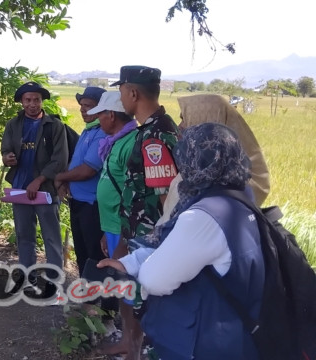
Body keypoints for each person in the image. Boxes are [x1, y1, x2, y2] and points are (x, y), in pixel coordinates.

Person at [99, 123, 264, 360]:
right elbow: (186, 250)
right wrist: (131, 262)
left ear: (193, 160)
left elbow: (155, 280)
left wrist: (140, 269)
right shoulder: (240, 197)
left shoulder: (204, 215)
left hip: (204, 343)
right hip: (234, 333)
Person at [114, 65, 180, 360]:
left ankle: (141, 353)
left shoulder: (155, 136)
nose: (120, 99)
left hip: (150, 238)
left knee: (147, 304)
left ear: (133, 93)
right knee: (135, 297)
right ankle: (133, 349)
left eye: (121, 92)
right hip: (139, 235)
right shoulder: (153, 129)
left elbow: (167, 199)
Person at [156, 93, 271, 224]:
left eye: (184, 119)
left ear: (205, 119)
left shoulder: (221, 187)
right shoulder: (200, 170)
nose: (180, 126)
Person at [86, 91, 139, 353]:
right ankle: (127, 339)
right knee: (122, 286)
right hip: (113, 228)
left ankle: (132, 345)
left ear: (111, 115)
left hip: (124, 232)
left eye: (100, 116)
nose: (98, 121)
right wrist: (106, 232)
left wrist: (124, 240)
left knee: (129, 288)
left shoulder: (130, 143)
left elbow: (134, 196)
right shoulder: (116, 141)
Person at [1, 81, 69, 271]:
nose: (32, 104)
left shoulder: (54, 126)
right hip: (20, 188)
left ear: (42, 101)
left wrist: (39, 180)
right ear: (21, 102)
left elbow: (60, 160)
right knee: (24, 235)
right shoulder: (13, 125)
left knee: (51, 236)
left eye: (36, 100)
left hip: (46, 190)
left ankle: (54, 278)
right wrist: (7, 158)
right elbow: (5, 149)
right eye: (28, 100)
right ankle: (27, 275)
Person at [53, 86, 108, 275]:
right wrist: (67, 181)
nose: (83, 110)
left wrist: (60, 177)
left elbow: (87, 170)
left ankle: (95, 292)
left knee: (94, 255)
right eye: (82, 105)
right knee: (83, 253)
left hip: (91, 205)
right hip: (78, 201)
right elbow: (77, 163)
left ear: (101, 109)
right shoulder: (88, 130)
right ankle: (86, 290)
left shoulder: (102, 133)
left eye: (89, 106)